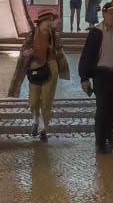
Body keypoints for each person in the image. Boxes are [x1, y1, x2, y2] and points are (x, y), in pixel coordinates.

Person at [79, 0, 113, 154]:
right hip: (101, 75)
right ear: (103, 14)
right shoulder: (96, 33)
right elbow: (87, 55)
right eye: (110, 13)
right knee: (103, 109)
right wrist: (84, 77)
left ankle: (109, 136)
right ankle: (100, 141)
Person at [8, 10, 68, 141]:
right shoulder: (33, 34)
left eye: (51, 21)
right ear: (41, 22)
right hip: (35, 67)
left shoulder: (54, 35)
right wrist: (26, 53)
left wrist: (55, 49)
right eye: (48, 21)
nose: (50, 23)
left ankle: (43, 129)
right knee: (34, 100)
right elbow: (23, 50)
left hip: (51, 67)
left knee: (47, 101)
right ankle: (35, 120)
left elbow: (60, 51)